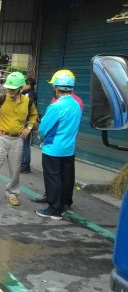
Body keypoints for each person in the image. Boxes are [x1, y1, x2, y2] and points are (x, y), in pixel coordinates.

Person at [0, 72, 39, 206]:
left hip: (17, 140)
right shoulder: (1, 99)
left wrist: (29, 128)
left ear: (20, 88)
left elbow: (34, 115)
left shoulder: (28, 101)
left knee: (15, 170)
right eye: (9, 88)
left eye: (13, 89)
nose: (10, 91)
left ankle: (12, 194)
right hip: (1, 137)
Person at [33, 69, 84, 204]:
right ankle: (65, 202)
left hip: (54, 148)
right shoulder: (76, 104)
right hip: (69, 147)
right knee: (66, 177)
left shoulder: (56, 106)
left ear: (56, 88)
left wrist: (41, 136)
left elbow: (44, 128)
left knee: (53, 178)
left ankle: (54, 208)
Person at [20, 77, 38, 174]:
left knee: (25, 145)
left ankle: (25, 166)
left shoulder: (29, 95)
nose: (23, 85)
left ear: (29, 85)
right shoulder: (28, 94)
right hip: (26, 122)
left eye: (24, 84)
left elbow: (25, 109)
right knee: (24, 145)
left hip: (27, 123)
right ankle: (24, 165)